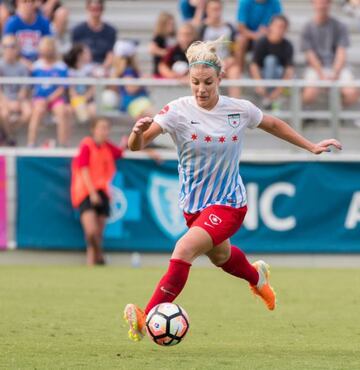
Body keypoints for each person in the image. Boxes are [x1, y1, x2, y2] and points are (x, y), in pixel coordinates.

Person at [123, 38, 342, 342]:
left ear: (220, 79)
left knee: (184, 250)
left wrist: (311, 146)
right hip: (194, 207)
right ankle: (257, 277)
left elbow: (275, 124)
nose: (201, 89)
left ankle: (147, 316)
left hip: (229, 204)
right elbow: (136, 146)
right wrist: (136, 133)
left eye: (208, 82)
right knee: (220, 256)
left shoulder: (238, 110)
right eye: (195, 82)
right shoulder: (176, 111)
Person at [71, 117, 123, 266]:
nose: (104, 131)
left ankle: (92, 262)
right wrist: (92, 192)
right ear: (93, 130)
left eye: (106, 128)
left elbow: (120, 152)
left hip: (103, 191)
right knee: (91, 232)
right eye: (101, 127)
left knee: (98, 233)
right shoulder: (86, 145)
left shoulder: (107, 147)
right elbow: (84, 169)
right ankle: (99, 256)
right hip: (85, 191)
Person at [301, 0, 358, 107]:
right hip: (315, 68)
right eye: (319, 2)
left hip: (337, 67)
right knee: (308, 94)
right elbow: (310, 55)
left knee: (351, 93)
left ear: (330, 4)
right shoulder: (307, 27)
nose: (322, 5)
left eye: (325, 2)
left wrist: (334, 74)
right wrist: (322, 75)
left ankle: (339, 115)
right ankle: (309, 115)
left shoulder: (340, 26)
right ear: (313, 3)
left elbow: (341, 53)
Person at [27, 36, 70, 146]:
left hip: (56, 98)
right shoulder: (36, 66)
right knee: (37, 111)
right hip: (39, 98)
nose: (47, 52)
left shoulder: (61, 66)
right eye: (44, 50)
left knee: (61, 111)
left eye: (49, 49)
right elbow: (31, 86)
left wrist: (49, 99)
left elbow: (62, 88)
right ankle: (31, 143)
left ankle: (62, 144)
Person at [250, 14, 294, 110]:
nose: (279, 29)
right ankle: (269, 99)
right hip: (263, 77)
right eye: (277, 26)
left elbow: (289, 70)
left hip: (278, 78)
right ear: (271, 26)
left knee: (274, 64)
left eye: (283, 27)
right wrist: (259, 83)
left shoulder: (288, 45)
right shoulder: (261, 42)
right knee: (270, 60)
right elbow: (254, 65)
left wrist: (279, 90)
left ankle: (268, 99)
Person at [199, 0, 240, 97]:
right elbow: (198, 51)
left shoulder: (229, 27)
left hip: (226, 63)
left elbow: (234, 50)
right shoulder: (202, 28)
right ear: (207, 10)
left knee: (235, 71)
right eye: (213, 9)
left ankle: (236, 106)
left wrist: (229, 61)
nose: (216, 12)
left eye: (218, 9)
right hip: (207, 63)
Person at [0, 35, 31, 145]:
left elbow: (25, 88)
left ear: (17, 48)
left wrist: (18, 100)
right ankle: (10, 137)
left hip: (18, 98)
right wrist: (7, 102)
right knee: (3, 114)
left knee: (28, 113)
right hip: (4, 98)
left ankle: (8, 131)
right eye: (6, 46)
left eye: (12, 46)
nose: (9, 49)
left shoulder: (22, 66)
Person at [236, 0, 282, 73]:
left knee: (272, 37)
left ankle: (260, 73)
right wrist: (255, 35)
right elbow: (241, 27)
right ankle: (238, 72)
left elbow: (279, 24)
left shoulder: (275, 2)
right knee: (240, 40)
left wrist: (267, 31)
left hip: (267, 36)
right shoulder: (244, 2)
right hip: (249, 37)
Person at [112, 40, 154, 120]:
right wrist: (143, 80)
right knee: (151, 115)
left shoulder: (126, 70)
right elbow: (130, 89)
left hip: (136, 101)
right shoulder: (128, 71)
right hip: (133, 102)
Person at [71, 0, 116, 73]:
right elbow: (75, 55)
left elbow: (110, 55)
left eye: (98, 9)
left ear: (102, 9)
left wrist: (102, 68)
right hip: (83, 67)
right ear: (87, 9)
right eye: (93, 9)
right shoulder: (77, 30)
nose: (95, 12)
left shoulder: (110, 31)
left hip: (103, 67)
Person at [3, 0, 52, 66]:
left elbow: (49, 46)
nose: (28, 4)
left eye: (31, 1)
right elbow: (7, 47)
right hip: (17, 62)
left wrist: (39, 63)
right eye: (25, 1)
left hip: (40, 62)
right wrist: (23, 61)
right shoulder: (12, 23)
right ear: (18, 3)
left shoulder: (44, 22)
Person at [64, 43, 96, 123]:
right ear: (79, 55)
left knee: (93, 110)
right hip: (75, 99)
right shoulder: (70, 71)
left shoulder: (91, 69)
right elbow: (72, 90)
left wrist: (85, 98)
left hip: (88, 99)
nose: (90, 54)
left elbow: (93, 88)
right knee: (77, 108)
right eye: (86, 52)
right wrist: (79, 99)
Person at [149, 12, 176, 77]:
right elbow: (152, 49)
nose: (172, 26)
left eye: (172, 24)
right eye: (169, 24)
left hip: (170, 69)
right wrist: (166, 53)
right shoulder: (159, 37)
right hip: (160, 71)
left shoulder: (173, 37)